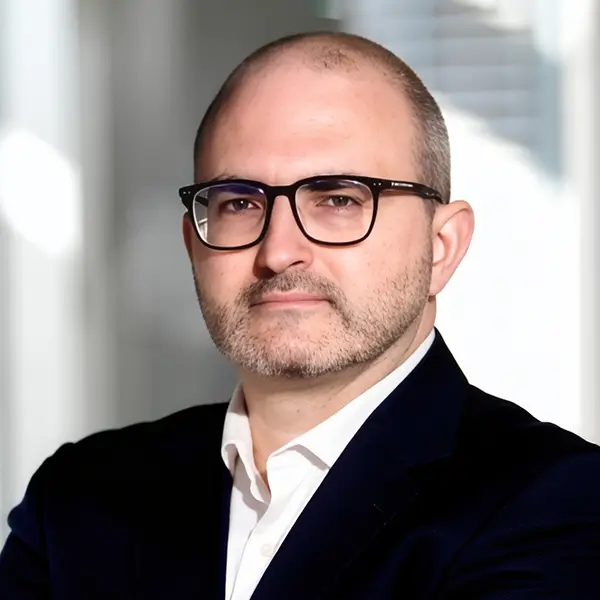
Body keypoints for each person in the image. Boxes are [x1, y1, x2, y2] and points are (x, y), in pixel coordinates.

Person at [1, 31, 599, 600]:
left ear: (440, 247)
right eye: (240, 202)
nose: (279, 251)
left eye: (338, 198)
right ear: (194, 246)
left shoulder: (557, 501)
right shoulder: (77, 500)